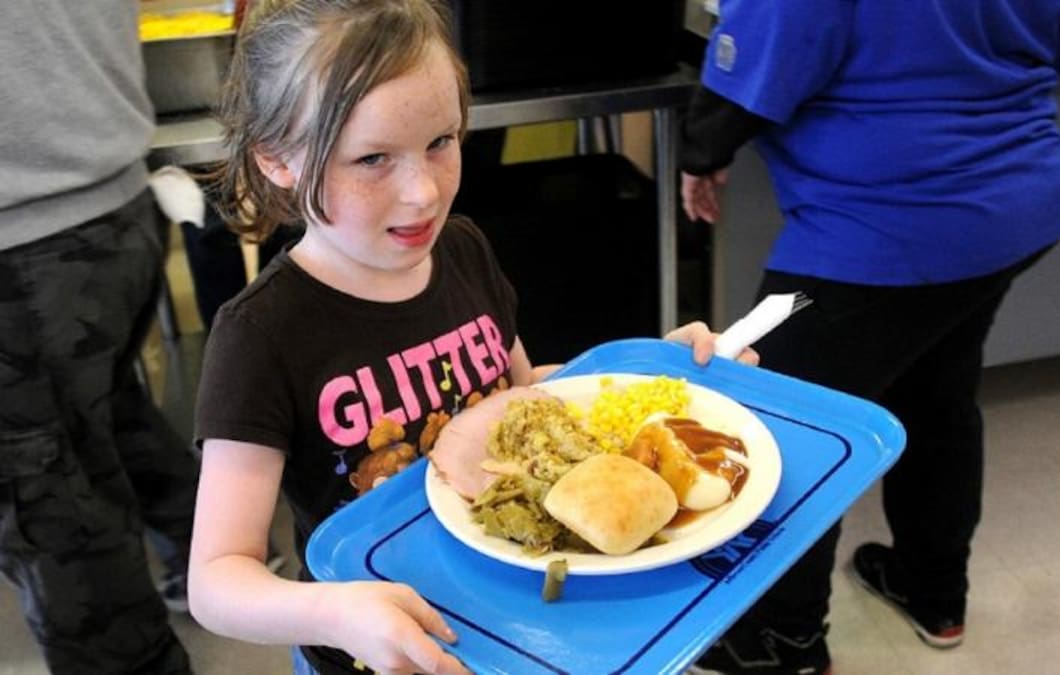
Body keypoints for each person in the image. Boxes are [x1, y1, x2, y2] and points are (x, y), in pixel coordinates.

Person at [187, 2, 755, 673]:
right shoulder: (261, 332)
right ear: (278, 159)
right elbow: (217, 578)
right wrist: (336, 612)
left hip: (517, 617)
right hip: (382, 648)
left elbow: (523, 395)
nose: (423, 192)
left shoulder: (462, 249)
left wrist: (659, 378)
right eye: (372, 158)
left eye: (442, 141)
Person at [679, 2, 1060, 674]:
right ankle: (932, 589)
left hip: (880, 228)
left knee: (788, 434)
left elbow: (764, 52)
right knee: (937, 391)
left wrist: (703, 148)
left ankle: (779, 644)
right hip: (1018, 199)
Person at [0, 1, 203, 673]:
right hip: (112, 201)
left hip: (26, 232)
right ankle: (214, 547)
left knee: (56, 521)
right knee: (104, 416)